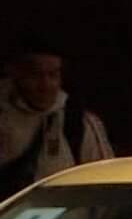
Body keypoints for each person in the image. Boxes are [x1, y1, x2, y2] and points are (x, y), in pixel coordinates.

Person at [0, 36, 112, 199]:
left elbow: (105, 180)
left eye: (53, 75)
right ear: (16, 74)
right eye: (35, 75)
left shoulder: (78, 121)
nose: (45, 85)